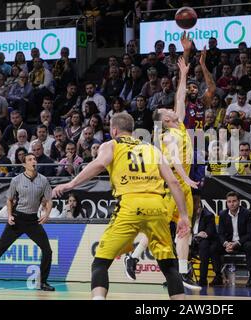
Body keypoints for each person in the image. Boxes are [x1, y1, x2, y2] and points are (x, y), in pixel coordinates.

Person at [51, 113, 189, 300]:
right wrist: (183, 216)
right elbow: (173, 182)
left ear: (114, 130)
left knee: (100, 264)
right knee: (169, 266)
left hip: (130, 204)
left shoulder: (112, 144)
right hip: (157, 206)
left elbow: (99, 164)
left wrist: (70, 184)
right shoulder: (152, 149)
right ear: (131, 130)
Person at [123, 55, 201, 290]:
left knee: (183, 229)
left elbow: (180, 96)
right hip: (171, 187)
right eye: (168, 109)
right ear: (166, 119)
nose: (172, 108)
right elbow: (175, 160)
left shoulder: (180, 124)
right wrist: (186, 177)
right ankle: (134, 257)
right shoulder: (168, 135)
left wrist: (184, 74)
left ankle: (184, 272)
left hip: (183, 187)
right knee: (161, 225)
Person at [0, 153, 55, 292]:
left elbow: (49, 200)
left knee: (47, 251)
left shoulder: (43, 180)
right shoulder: (16, 180)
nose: (33, 161)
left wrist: (47, 214)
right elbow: (9, 200)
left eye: (34, 159)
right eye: (30, 160)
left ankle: (43, 282)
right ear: (24, 165)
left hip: (33, 220)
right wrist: (9, 216)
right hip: (17, 219)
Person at [216, 191, 251, 287]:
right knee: (214, 246)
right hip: (229, 243)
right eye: (229, 201)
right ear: (227, 203)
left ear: (239, 202)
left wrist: (236, 243)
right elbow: (221, 234)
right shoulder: (222, 214)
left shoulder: (248, 213)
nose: (232, 204)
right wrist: (226, 244)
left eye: (234, 201)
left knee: (250, 245)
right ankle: (218, 276)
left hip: (243, 243)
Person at [190, 198, 222, 287]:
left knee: (205, 245)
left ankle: (203, 278)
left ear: (201, 207)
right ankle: (183, 276)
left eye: (198, 207)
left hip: (205, 242)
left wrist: (199, 236)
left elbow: (209, 232)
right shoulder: (187, 215)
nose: (196, 210)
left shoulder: (208, 215)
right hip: (190, 243)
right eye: (194, 208)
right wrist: (196, 235)